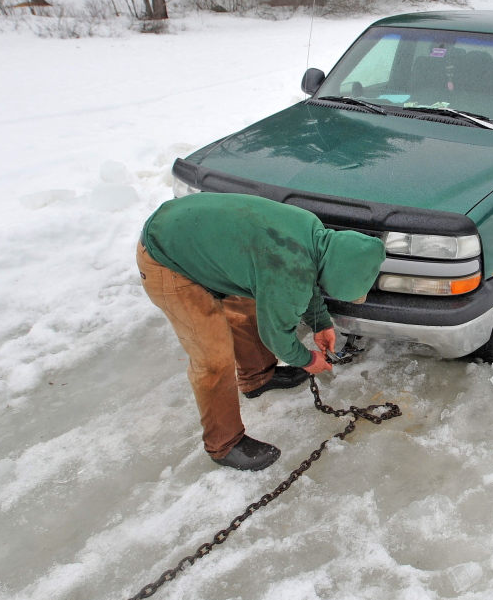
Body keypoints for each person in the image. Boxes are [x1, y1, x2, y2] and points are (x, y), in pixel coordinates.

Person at [136, 191, 386, 471]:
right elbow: (277, 336)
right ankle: (224, 444)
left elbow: (308, 274)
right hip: (167, 257)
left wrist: (320, 323)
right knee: (213, 357)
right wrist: (308, 360)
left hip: (199, 233)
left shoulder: (312, 232)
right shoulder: (286, 267)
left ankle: (257, 378)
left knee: (248, 306)